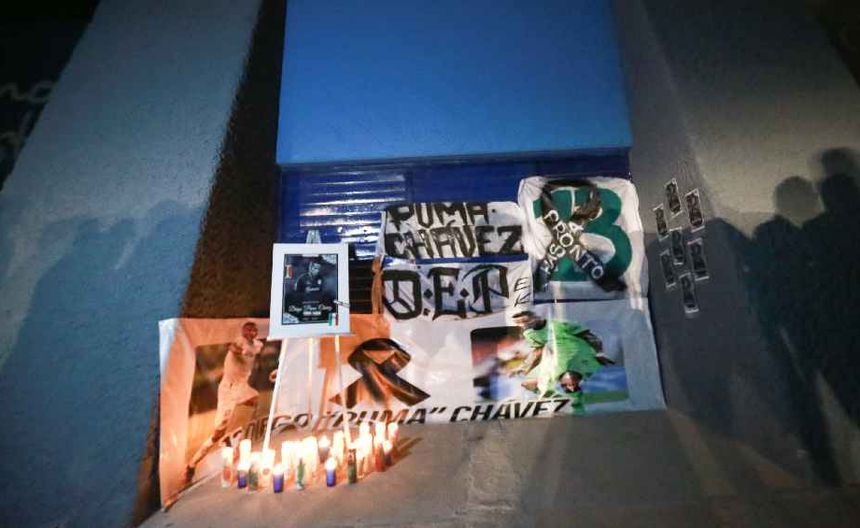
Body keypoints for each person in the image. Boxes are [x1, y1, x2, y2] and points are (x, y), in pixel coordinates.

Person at [185, 321, 264, 482]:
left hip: (242, 386)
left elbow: (248, 351)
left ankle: (240, 441)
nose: (251, 333)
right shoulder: (238, 341)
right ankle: (192, 465)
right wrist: (234, 347)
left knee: (255, 400)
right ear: (243, 331)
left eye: (254, 330)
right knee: (217, 433)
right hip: (228, 388)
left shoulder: (257, 345)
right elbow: (234, 348)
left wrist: (238, 349)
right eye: (248, 330)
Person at [511, 311, 613, 398]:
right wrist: (524, 367)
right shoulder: (529, 333)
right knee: (530, 383)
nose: (523, 325)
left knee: (583, 380)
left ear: (536, 317)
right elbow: (538, 351)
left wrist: (599, 353)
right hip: (560, 360)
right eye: (518, 323)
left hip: (579, 356)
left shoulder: (561, 324)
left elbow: (590, 337)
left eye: (525, 321)